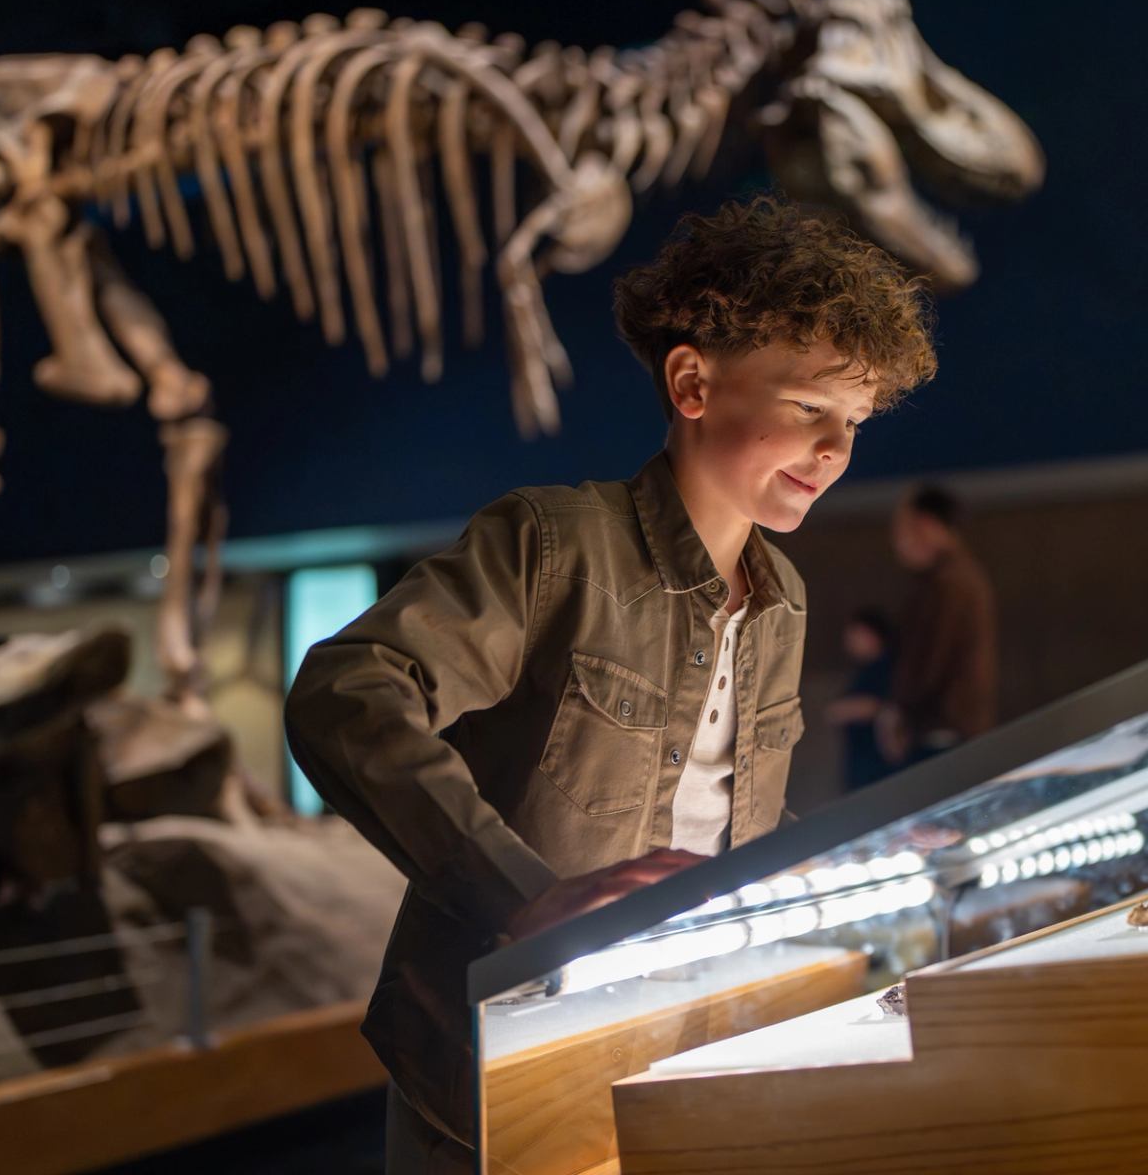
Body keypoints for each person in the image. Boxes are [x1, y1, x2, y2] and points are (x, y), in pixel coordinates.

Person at [284, 196, 937, 1174]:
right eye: (810, 409)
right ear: (692, 383)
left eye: (854, 422)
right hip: (489, 1072)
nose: (837, 453)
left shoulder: (784, 598)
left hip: (669, 1052)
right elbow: (347, 690)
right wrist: (520, 896)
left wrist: (860, 868)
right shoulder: (554, 541)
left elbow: (735, 809)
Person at [882, 484, 997, 767]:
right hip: (952, 733)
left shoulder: (948, 583)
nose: (898, 542)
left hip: (942, 736)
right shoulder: (958, 578)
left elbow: (927, 658)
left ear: (927, 525)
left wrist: (895, 711)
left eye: (903, 529)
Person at [827, 608, 895, 792]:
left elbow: (883, 707)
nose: (848, 642)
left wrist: (844, 710)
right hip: (863, 770)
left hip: (879, 770)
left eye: (855, 635)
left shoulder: (886, 668)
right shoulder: (864, 672)